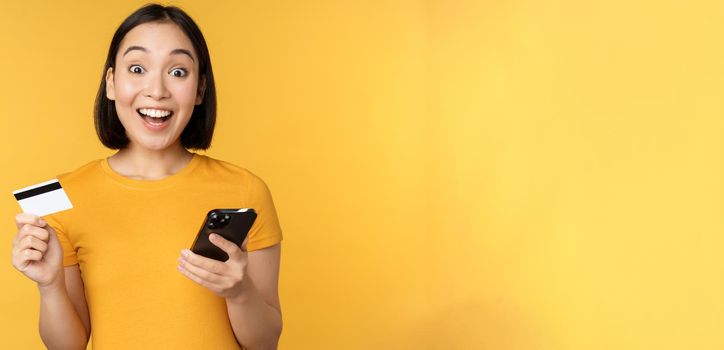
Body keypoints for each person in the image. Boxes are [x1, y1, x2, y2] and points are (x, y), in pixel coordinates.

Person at [10, 4, 283, 349]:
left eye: (178, 72)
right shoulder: (62, 196)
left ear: (199, 90)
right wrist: (48, 285)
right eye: (137, 68)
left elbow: (266, 343)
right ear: (111, 83)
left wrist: (239, 291)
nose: (157, 90)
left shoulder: (246, 190)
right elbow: (67, 347)